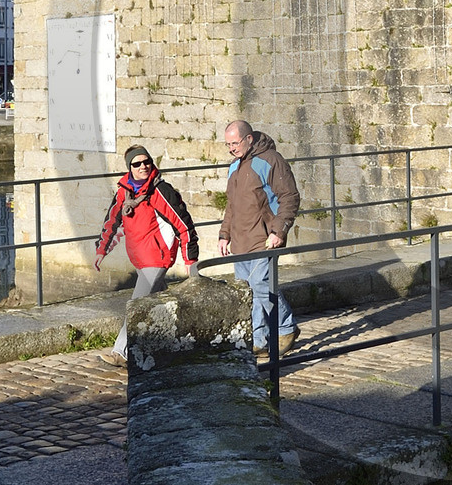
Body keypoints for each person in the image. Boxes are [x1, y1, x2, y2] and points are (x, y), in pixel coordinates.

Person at [95, 145, 200, 358]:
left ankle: (121, 352)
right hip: (139, 258)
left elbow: (183, 224)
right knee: (161, 302)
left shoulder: (160, 191)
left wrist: (190, 259)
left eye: (147, 162)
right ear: (130, 168)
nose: (143, 166)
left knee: (136, 304)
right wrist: (101, 250)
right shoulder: (124, 192)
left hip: (157, 257)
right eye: (137, 164)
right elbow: (112, 221)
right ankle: (181, 341)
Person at [218, 118, 301, 355]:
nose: (231, 149)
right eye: (228, 144)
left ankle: (286, 328)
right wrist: (224, 234)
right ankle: (259, 340)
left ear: (249, 138)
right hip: (240, 239)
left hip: (264, 238)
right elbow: (232, 206)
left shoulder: (271, 160)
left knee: (262, 286)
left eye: (235, 143)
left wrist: (278, 231)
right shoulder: (234, 166)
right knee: (248, 292)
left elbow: (289, 197)